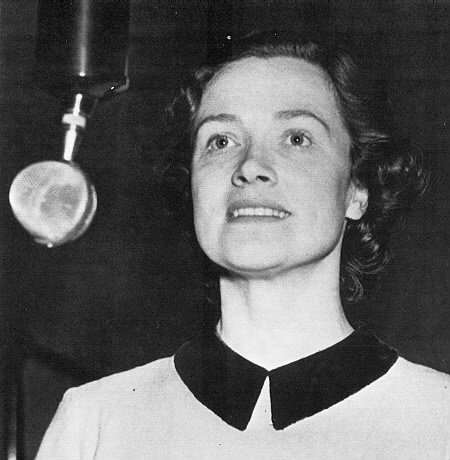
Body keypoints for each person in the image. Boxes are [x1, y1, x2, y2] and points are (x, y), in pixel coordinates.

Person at [36, 32, 450, 460]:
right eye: (221, 141)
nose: (251, 167)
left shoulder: (440, 421)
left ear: (356, 190)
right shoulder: (95, 421)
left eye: (296, 138)